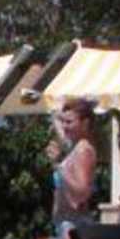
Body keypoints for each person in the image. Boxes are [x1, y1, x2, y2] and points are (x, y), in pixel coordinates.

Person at [46, 97, 99, 228]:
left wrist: (58, 165)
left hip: (74, 223)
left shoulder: (83, 150)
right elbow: (57, 122)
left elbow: (82, 192)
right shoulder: (74, 149)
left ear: (85, 123)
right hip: (65, 221)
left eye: (69, 122)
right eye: (63, 122)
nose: (64, 126)